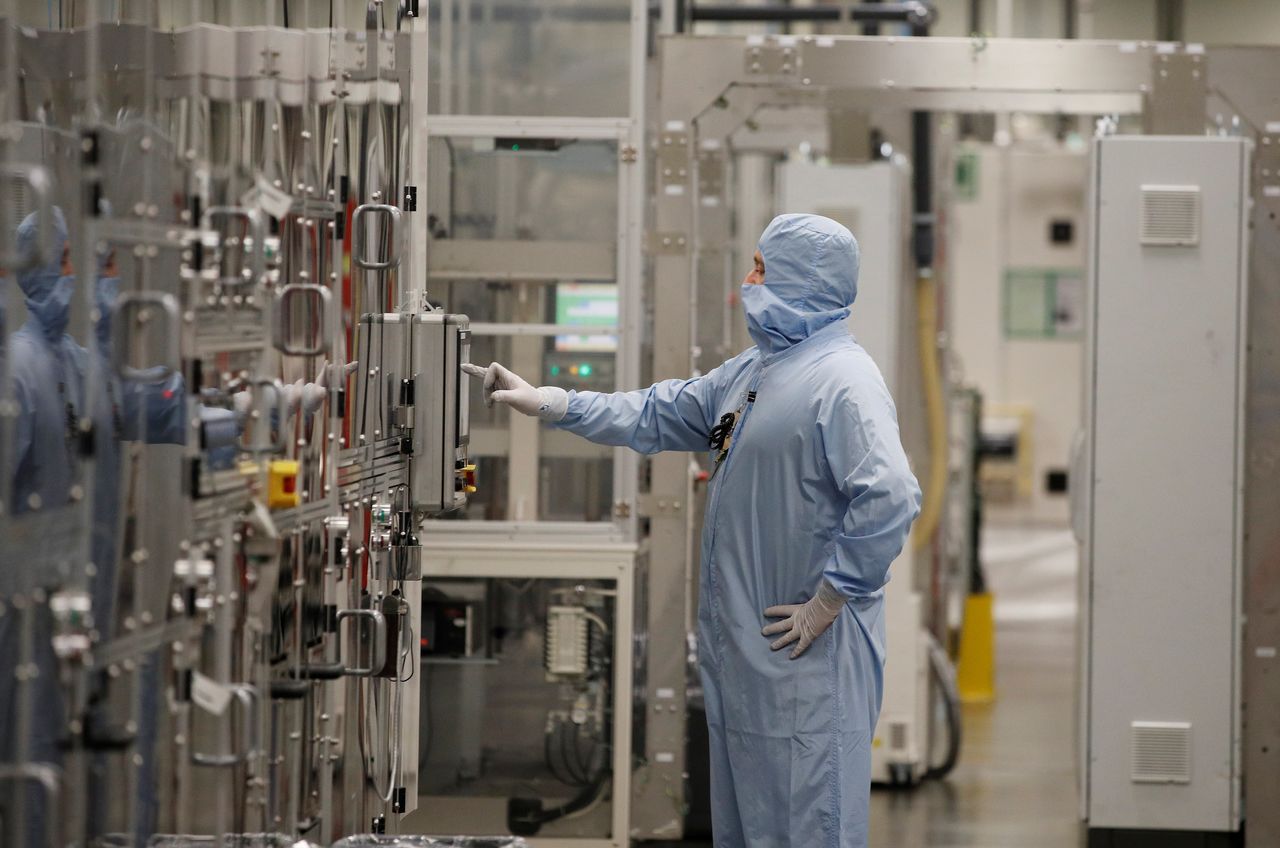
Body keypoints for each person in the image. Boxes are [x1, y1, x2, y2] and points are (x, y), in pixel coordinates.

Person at [464, 213, 922, 846]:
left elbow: (891, 494)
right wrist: (550, 401)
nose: (747, 281)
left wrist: (830, 598)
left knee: (809, 829)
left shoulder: (844, 381)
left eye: (760, 268)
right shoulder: (753, 373)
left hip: (806, 669)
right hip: (747, 668)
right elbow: (654, 411)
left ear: (802, 279)